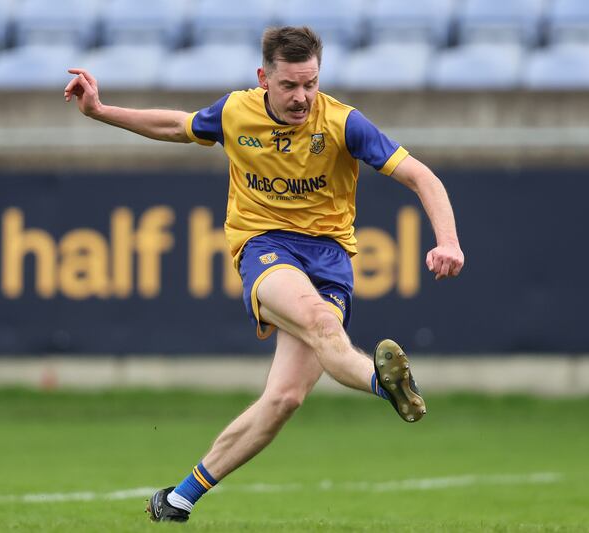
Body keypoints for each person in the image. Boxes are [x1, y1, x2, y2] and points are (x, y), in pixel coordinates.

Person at [64, 26, 464, 523]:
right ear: (264, 78)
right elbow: (175, 125)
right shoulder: (236, 112)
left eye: (311, 84)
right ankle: (387, 386)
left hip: (330, 260)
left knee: (284, 398)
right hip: (265, 248)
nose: (302, 97)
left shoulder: (343, 123)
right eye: (290, 85)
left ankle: (177, 499)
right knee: (321, 324)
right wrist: (101, 111)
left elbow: (422, 176)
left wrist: (448, 241)